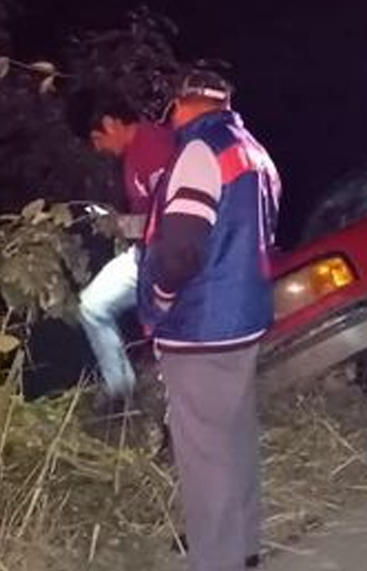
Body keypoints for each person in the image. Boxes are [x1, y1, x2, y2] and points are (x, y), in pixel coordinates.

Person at [138, 71, 281, 571]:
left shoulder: (199, 153)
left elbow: (181, 249)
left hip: (200, 326)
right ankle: (244, 551)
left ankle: (217, 561)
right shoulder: (253, 151)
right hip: (244, 318)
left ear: (184, 104)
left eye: (172, 108)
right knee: (234, 438)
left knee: (203, 458)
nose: (171, 118)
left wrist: (159, 297)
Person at [65, 89, 175, 402]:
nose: (98, 148)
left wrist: (119, 225)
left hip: (171, 258)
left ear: (111, 124)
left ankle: (157, 393)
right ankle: (121, 390)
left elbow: (172, 221)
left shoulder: (156, 147)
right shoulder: (132, 156)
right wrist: (120, 223)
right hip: (145, 253)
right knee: (91, 307)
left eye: (96, 139)